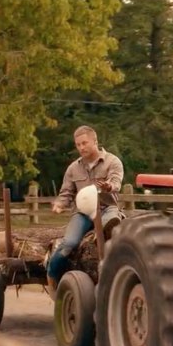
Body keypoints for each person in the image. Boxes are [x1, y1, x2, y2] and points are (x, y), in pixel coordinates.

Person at [46, 125, 124, 293]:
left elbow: (116, 182)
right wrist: (60, 204)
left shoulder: (112, 161)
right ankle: (52, 272)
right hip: (82, 213)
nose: (81, 147)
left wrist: (109, 186)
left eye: (84, 143)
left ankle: (106, 231)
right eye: (78, 144)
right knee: (69, 243)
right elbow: (66, 193)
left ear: (95, 141)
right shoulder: (73, 168)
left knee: (111, 222)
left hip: (106, 207)